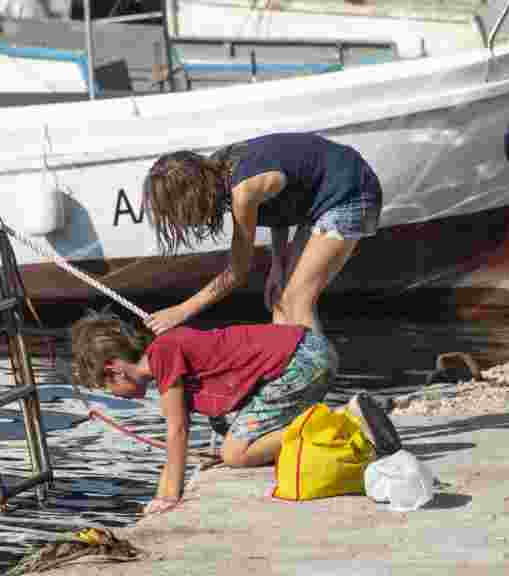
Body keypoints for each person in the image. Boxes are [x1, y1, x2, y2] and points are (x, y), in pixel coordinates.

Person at [70, 311, 334, 515]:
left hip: (300, 360)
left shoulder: (163, 353)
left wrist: (169, 498)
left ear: (114, 369)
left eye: (106, 386)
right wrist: (158, 498)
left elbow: (177, 431)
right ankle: (327, 423)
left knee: (235, 454)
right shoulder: (165, 361)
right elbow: (176, 440)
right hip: (309, 353)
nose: (113, 394)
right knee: (234, 438)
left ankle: (338, 421)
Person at [142, 132, 383, 343]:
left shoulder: (243, 191)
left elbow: (237, 272)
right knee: (281, 302)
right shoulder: (217, 172)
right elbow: (281, 206)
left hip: (349, 191)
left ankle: (316, 375)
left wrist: (181, 311)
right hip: (320, 198)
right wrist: (278, 265)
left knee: (297, 300)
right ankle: (287, 371)